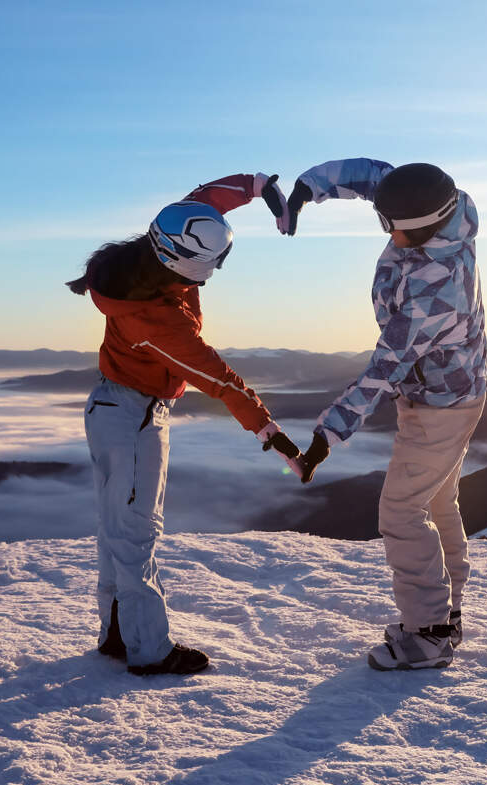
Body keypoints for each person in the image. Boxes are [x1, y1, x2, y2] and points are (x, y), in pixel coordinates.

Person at [67, 173, 304, 675]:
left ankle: (118, 634)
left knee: (117, 529)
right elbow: (219, 379)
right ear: (187, 265)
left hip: (112, 410)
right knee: (134, 534)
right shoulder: (156, 320)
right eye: (214, 263)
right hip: (134, 420)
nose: (216, 270)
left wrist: (259, 187)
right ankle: (149, 651)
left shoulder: (151, 256)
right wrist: (271, 433)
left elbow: (203, 201)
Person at [284, 159, 487, 671]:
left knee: (400, 512)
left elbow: (383, 370)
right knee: (437, 500)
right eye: (385, 222)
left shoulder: (435, 294)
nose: (390, 234)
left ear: (427, 226)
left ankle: (429, 633)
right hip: (452, 392)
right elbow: (377, 176)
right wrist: (309, 188)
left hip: (439, 406)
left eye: (398, 229)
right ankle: (447, 614)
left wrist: (327, 437)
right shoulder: (433, 201)